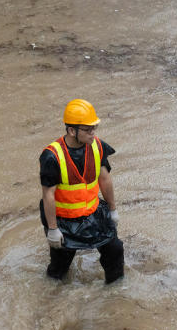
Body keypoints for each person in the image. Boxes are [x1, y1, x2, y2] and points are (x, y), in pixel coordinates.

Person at [39, 99, 124, 283]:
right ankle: (51, 298)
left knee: (115, 250)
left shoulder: (98, 146)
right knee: (58, 269)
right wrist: (53, 229)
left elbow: (105, 179)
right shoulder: (52, 157)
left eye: (94, 128)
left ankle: (116, 292)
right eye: (88, 129)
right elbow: (48, 195)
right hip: (63, 221)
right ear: (71, 130)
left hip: (93, 214)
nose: (93, 133)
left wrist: (112, 209)